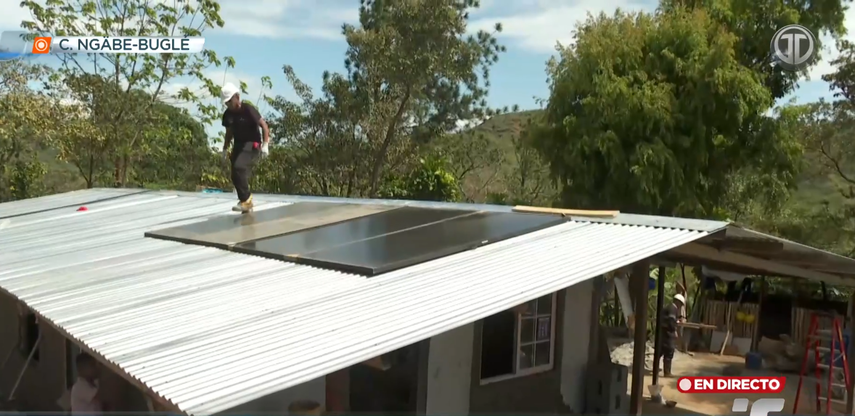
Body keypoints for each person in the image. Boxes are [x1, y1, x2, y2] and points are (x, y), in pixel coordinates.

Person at [220, 82, 270, 213]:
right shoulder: (228, 115)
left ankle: (246, 200)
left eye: (230, 101)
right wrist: (225, 149)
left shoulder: (248, 110)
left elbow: (264, 126)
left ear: (237, 97)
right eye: (226, 103)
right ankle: (245, 203)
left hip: (252, 144)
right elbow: (229, 133)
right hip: (238, 145)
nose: (228, 105)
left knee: (239, 167)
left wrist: (265, 145)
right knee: (234, 174)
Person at [660, 293, 685, 377]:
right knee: (669, 352)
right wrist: (674, 331)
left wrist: (678, 319)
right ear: (678, 302)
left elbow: (671, 319)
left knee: (660, 352)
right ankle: (667, 373)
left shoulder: (670, 307)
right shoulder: (672, 309)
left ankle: (657, 370)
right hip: (668, 334)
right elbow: (671, 321)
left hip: (663, 333)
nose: (680, 307)